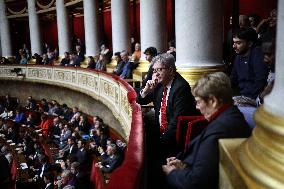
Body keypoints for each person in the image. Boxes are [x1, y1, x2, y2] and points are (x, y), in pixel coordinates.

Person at [162, 72, 251, 189]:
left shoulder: (222, 128)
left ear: (213, 101)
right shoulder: (231, 116)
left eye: (198, 102)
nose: (197, 107)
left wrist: (172, 173)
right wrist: (183, 165)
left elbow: (196, 182)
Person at [137, 53, 197, 158]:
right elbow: (141, 101)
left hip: (175, 139)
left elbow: (176, 122)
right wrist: (146, 90)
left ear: (170, 70)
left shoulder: (181, 88)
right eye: (154, 70)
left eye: (159, 70)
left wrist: (160, 142)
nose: (156, 74)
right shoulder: (159, 84)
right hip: (160, 130)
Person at [230, 27, 269, 103]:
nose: (234, 46)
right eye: (234, 43)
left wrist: (247, 99)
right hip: (242, 97)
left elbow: (260, 81)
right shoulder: (238, 57)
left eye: (238, 43)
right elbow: (233, 78)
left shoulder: (257, 55)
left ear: (250, 44)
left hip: (256, 99)